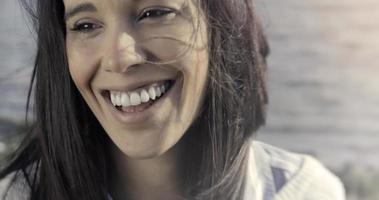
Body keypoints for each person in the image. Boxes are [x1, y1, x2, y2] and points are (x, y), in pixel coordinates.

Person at [0, 0, 345, 199]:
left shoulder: (309, 192)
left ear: (219, 27)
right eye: (86, 25)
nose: (120, 58)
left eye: (154, 12)